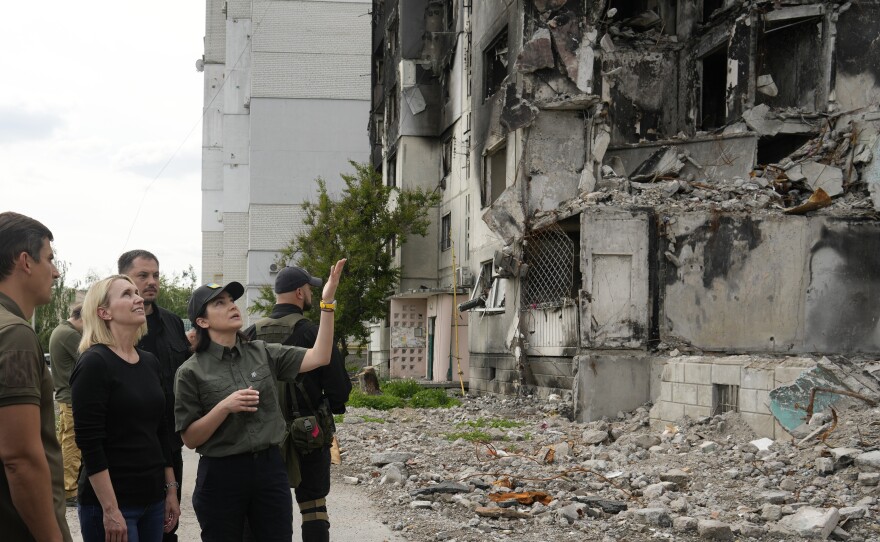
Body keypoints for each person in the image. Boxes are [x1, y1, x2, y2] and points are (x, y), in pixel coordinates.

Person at [174, 259, 346, 542]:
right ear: (202, 322)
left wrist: (327, 303)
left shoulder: (261, 352)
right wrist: (224, 407)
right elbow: (190, 438)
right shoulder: (190, 371)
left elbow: (320, 356)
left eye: (231, 300)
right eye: (219, 303)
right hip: (222, 476)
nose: (231, 306)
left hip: (269, 471)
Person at [243, 265, 351, 542]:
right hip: (309, 433)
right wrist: (330, 406)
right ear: (300, 293)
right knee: (313, 503)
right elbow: (339, 388)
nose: (311, 294)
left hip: (261, 435)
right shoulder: (314, 333)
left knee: (260, 507)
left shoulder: (249, 334)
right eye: (310, 290)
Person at [71, 275, 180, 542]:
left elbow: (161, 430)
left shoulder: (149, 361)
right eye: (127, 294)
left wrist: (170, 491)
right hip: (113, 505)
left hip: (152, 501)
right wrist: (110, 509)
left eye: (137, 293)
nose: (139, 298)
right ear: (104, 312)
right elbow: (89, 442)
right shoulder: (94, 363)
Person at [0, 211, 72, 542]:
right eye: (49, 259)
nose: (56, 272)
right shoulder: (14, 335)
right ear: (25, 262)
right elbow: (20, 459)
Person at [118, 249, 190, 542]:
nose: (152, 282)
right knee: (131, 523)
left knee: (168, 525)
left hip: (170, 440)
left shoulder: (173, 323)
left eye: (156, 275)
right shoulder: (115, 325)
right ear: (124, 278)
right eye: (143, 275)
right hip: (129, 446)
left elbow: (186, 369)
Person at [49, 303, 84, 507]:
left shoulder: (60, 330)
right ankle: (70, 490)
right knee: (73, 445)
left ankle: (64, 486)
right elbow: (87, 356)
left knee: (66, 443)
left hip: (65, 398)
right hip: (71, 399)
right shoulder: (70, 334)